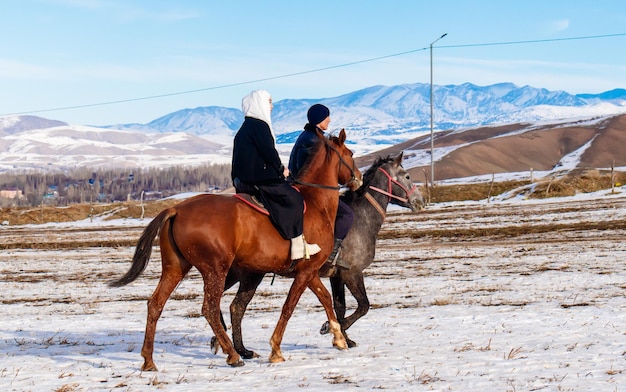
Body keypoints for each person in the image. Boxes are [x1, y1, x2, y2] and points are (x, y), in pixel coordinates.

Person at [231, 90, 320, 261]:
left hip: (242, 181)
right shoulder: (259, 126)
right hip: (259, 180)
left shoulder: (245, 128)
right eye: (269, 102)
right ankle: (296, 245)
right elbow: (269, 153)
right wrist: (281, 170)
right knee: (294, 197)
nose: (272, 106)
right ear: (259, 104)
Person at [288, 103, 354, 267]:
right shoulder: (313, 140)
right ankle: (330, 255)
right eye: (327, 117)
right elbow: (306, 169)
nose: (329, 120)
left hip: (301, 189)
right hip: (308, 193)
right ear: (319, 119)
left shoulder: (310, 136)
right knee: (346, 215)